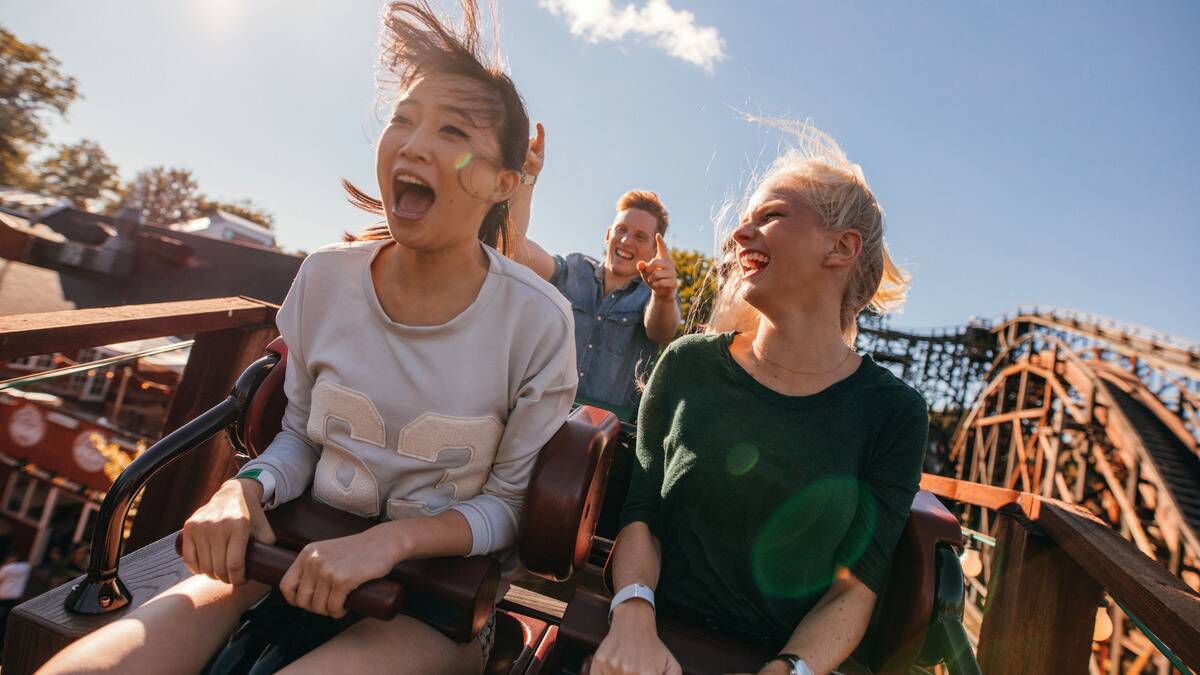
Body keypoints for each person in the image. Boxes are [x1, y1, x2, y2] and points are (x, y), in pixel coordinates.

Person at [40, 2, 575, 674]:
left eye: (452, 130)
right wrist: (246, 489)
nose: (412, 144)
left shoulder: (538, 321)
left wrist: (389, 543)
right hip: (289, 550)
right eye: (402, 119)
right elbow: (300, 436)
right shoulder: (324, 276)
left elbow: (506, 509)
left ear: (504, 181)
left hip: (436, 603)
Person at [592, 120, 927, 675]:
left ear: (841, 247)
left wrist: (788, 670)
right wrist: (632, 620)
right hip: (648, 641)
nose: (738, 235)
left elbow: (855, 588)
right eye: (744, 219)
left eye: (769, 216)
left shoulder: (894, 413)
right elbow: (641, 514)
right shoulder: (688, 363)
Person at [507, 126, 681, 421]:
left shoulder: (651, 297)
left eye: (640, 237)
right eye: (622, 230)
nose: (626, 241)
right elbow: (514, 248)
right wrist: (527, 178)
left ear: (653, 250)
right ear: (608, 234)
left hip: (606, 436)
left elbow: (662, 331)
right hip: (537, 415)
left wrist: (664, 295)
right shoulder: (573, 269)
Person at [0, 551, 31, 644]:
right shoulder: (26, 567)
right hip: (16, 594)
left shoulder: (7, 568)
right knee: (8, 614)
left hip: (4, 594)